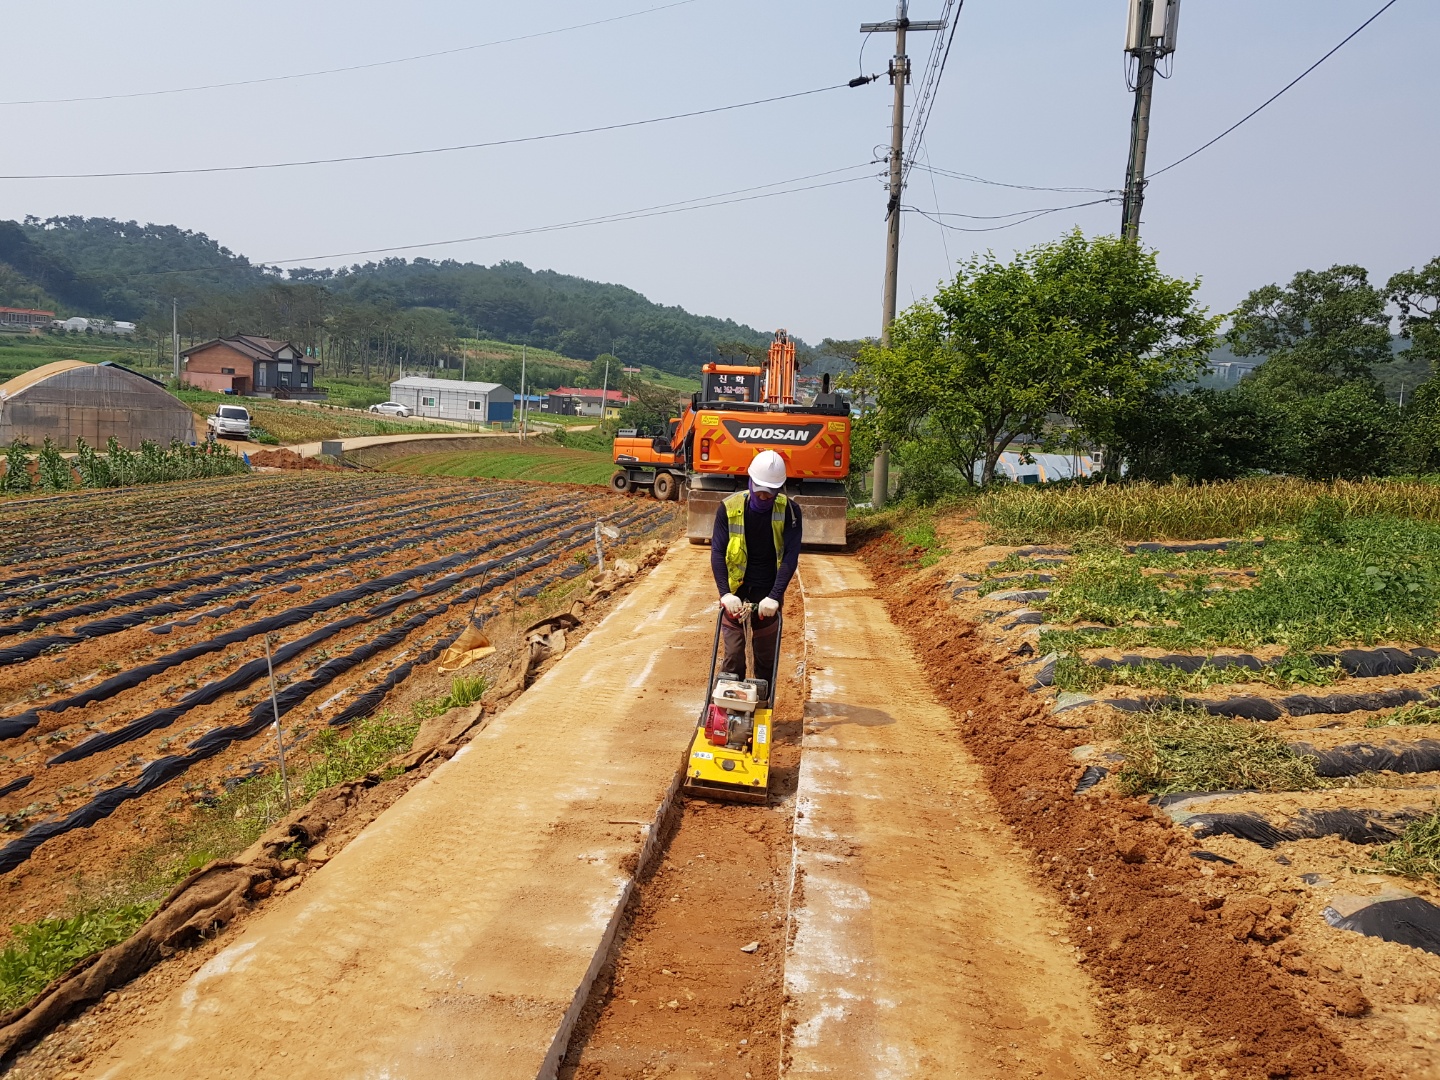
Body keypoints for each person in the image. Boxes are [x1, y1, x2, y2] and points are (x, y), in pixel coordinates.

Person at [710, 449, 803, 684]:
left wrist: (774, 596)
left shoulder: (790, 512)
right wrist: (725, 594)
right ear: (750, 482)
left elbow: (791, 556)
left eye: (769, 494)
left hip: (768, 594)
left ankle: (762, 705)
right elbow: (718, 552)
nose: (763, 498)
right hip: (736, 592)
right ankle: (730, 707)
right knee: (733, 656)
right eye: (759, 491)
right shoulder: (728, 508)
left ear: (778, 490)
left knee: (765, 658)